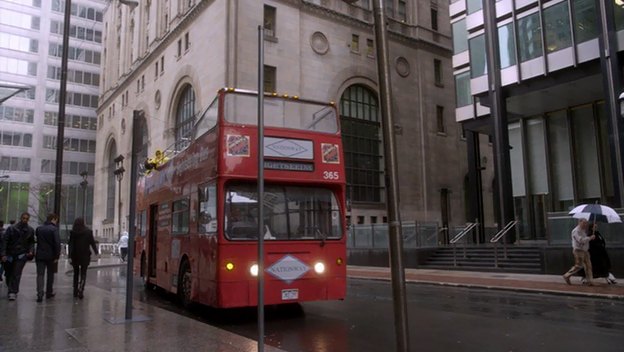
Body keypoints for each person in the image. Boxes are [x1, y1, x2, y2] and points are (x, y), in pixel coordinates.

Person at [0, 212, 35, 300]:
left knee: (16, 273)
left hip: (21, 255)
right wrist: (3, 254)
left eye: (26, 219)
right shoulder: (11, 229)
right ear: (21, 218)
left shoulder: (30, 230)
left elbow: (31, 242)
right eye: (24, 218)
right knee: (9, 273)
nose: (25, 220)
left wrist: (31, 251)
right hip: (10, 254)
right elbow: (5, 241)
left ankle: (12, 291)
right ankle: (11, 288)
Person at [68, 218, 98, 299]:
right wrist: (96, 252)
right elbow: (92, 243)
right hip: (85, 255)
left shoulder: (73, 233)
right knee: (83, 273)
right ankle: (81, 289)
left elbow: (71, 245)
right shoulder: (88, 232)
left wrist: (69, 256)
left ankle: (75, 291)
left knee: (76, 273)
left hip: (75, 256)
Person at [34, 213, 61, 302]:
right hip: (51, 256)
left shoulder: (39, 229)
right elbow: (57, 244)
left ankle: (39, 294)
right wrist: (57, 256)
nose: (56, 222)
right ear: (53, 219)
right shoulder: (54, 229)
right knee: (50, 274)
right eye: (56, 220)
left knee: (40, 275)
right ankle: (49, 292)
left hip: (40, 255)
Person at [563, 218, 595, 286]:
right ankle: (567, 275)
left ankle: (590, 281)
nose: (585, 225)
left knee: (588, 266)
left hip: (585, 250)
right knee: (579, 265)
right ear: (579, 222)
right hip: (578, 251)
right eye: (584, 223)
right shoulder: (576, 231)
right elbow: (580, 240)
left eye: (586, 223)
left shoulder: (583, 230)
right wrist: (590, 238)